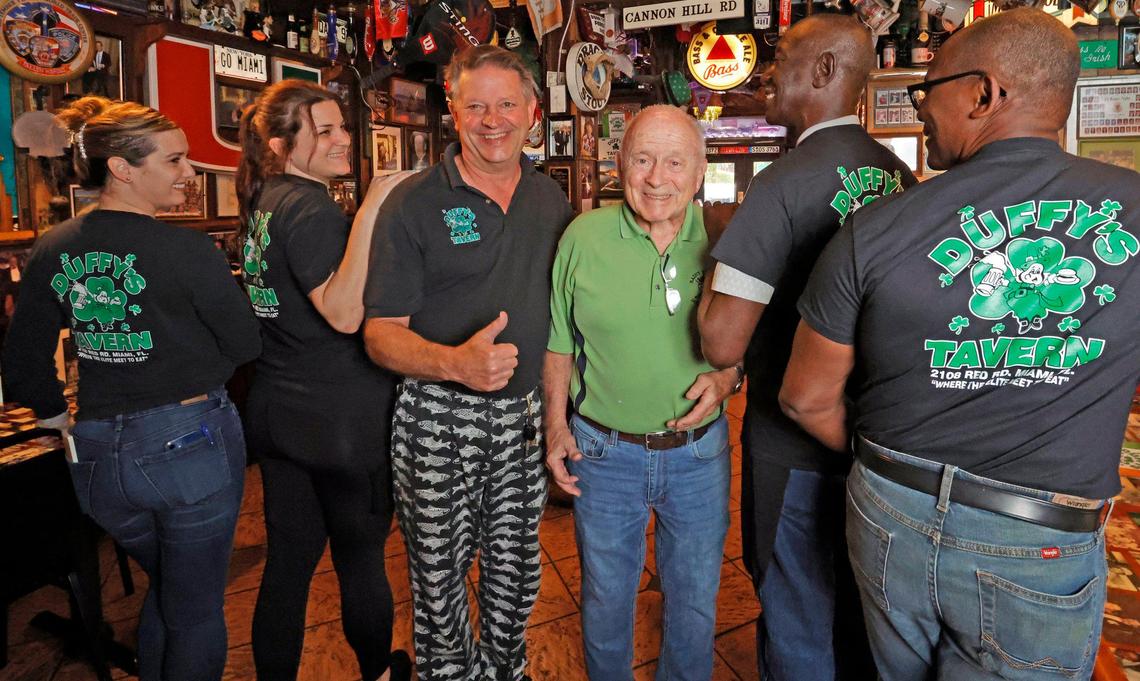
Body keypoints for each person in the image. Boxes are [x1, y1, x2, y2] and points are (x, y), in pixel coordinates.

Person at [780, 8, 1139, 680]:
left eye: (928, 89)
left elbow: (803, 398)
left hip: (892, 507)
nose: (919, 108)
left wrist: (895, 461)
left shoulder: (874, 227)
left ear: (984, 93)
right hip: (1041, 538)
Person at [2, 96, 260, 681]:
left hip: (94, 457)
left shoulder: (53, 244)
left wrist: (55, 419)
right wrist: (195, 368)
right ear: (122, 168)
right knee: (193, 610)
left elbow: (22, 362)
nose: (189, 174)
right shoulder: (188, 250)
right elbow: (245, 344)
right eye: (174, 161)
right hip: (185, 447)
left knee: (170, 590)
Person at [697, 14, 916, 681]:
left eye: (782, 56)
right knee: (861, 617)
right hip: (875, 446)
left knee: (797, 616)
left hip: (794, 448)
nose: (767, 70)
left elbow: (720, 339)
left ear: (825, 71)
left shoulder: (783, 183)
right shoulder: (898, 175)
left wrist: (711, 264)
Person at [363, 45, 574, 681]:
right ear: (453, 111)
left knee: (516, 573)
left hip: (523, 416)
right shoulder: (415, 201)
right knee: (438, 577)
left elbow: (563, 321)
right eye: (476, 105)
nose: (493, 120)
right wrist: (456, 364)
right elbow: (378, 336)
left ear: (533, 112)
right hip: (435, 414)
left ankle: (507, 673)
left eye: (507, 104)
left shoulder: (550, 200)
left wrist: (558, 416)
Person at [544, 104, 739, 681]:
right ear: (620, 165)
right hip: (602, 453)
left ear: (700, 171)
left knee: (696, 600)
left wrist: (730, 376)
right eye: (643, 159)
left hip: (699, 455)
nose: (657, 178)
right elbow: (559, 343)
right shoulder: (584, 235)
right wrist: (555, 426)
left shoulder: (727, 238)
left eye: (675, 162)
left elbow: (754, 336)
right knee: (606, 601)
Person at [236, 79, 412, 681]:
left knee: (287, 563)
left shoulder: (265, 201)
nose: (344, 140)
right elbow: (343, 311)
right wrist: (368, 211)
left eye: (343, 127)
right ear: (283, 145)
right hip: (339, 421)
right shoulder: (310, 206)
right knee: (360, 559)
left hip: (278, 410)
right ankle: (378, 674)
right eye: (326, 130)